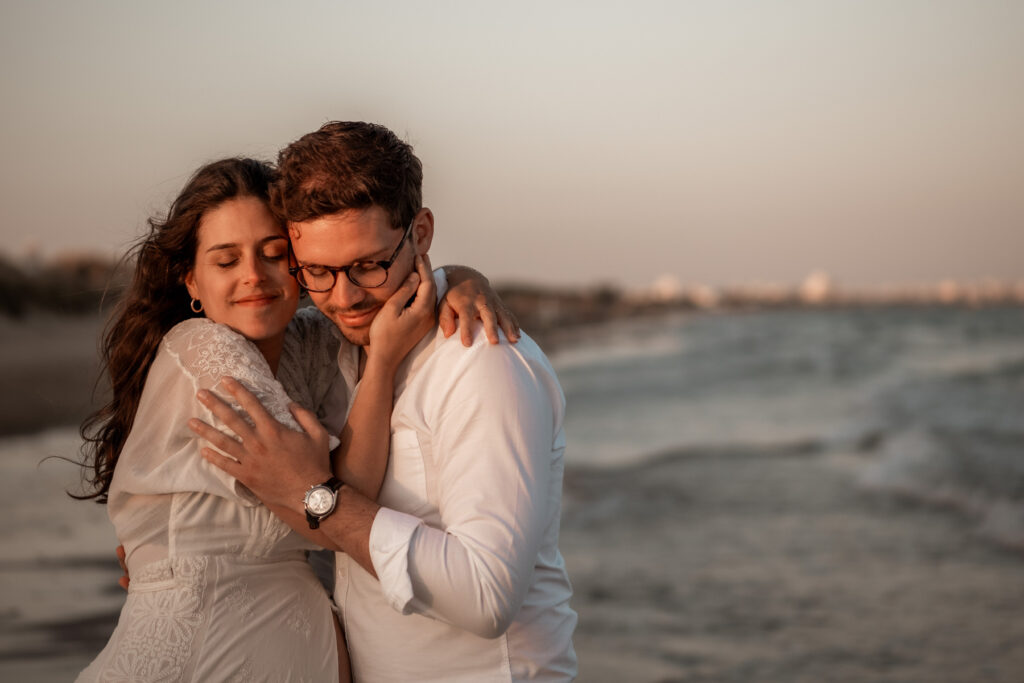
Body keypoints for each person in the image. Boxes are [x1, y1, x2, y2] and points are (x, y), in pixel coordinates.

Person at [75, 157, 515, 682]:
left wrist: (462, 279)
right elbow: (332, 505)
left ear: (301, 265)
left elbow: (389, 298)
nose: (253, 276)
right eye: (226, 261)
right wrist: (381, 364)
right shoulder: (206, 349)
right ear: (192, 279)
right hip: (200, 658)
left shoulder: (306, 342)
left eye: (273, 253)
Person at [194, 122, 578, 681]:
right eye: (318, 272)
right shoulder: (331, 350)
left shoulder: (482, 362)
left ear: (420, 233)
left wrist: (317, 496)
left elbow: (486, 596)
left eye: (368, 264)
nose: (345, 297)